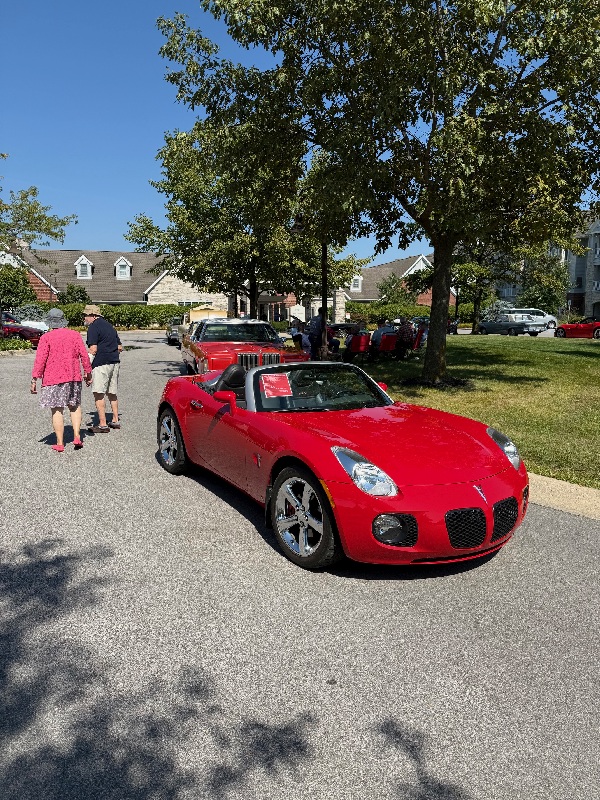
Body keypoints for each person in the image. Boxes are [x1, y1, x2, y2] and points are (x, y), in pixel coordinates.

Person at [30, 308, 92, 452]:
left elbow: (40, 360)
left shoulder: (46, 337)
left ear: (51, 322)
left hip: (53, 378)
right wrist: (88, 373)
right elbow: (84, 355)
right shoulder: (75, 335)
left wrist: (34, 379)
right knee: (74, 406)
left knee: (57, 409)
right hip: (73, 376)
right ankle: (77, 436)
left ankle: (60, 443)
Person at [83, 304, 123, 432]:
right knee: (112, 392)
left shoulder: (93, 327)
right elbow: (120, 347)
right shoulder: (109, 326)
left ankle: (103, 424)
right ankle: (115, 420)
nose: (85, 318)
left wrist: (86, 369)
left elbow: (93, 349)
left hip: (101, 364)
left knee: (99, 393)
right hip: (114, 362)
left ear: (93, 316)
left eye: (86, 315)